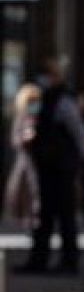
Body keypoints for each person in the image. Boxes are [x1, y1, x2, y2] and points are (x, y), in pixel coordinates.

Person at [19, 59, 84, 274]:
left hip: (62, 166)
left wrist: (82, 157)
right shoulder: (45, 98)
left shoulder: (63, 100)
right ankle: (40, 258)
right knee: (46, 213)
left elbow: (78, 130)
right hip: (48, 164)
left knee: (65, 214)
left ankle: (68, 260)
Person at [3, 85, 42, 234]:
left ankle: (35, 218)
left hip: (38, 160)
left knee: (36, 189)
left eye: (36, 101)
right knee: (23, 189)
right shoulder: (21, 117)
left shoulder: (40, 117)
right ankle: (25, 219)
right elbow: (15, 139)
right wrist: (25, 138)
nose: (34, 104)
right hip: (25, 159)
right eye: (31, 101)